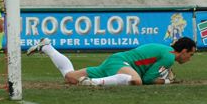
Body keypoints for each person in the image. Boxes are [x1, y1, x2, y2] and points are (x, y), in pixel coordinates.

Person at [27, 36, 196, 86]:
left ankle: (47, 47)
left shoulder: (164, 49)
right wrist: (166, 81)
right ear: (183, 51)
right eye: (191, 54)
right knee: (135, 81)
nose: (190, 58)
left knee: (70, 77)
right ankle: (92, 83)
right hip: (120, 63)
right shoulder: (169, 56)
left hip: (117, 61)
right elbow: (146, 79)